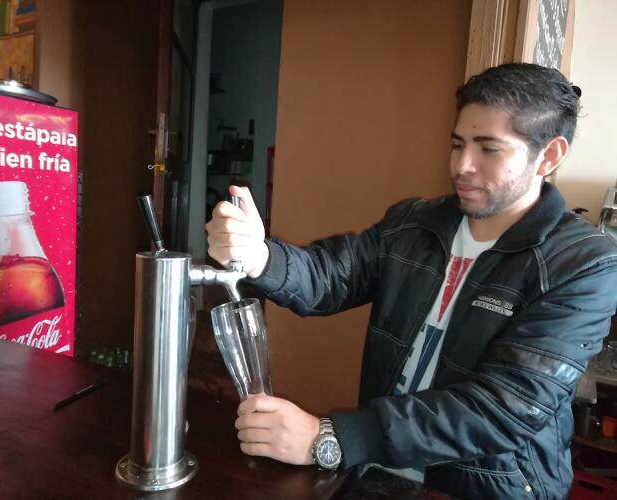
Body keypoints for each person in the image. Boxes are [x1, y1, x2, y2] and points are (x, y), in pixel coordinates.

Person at [205, 63, 617, 499]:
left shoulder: (584, 263)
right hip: (382, 472)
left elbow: (504, 407)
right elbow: (331, 276)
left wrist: (330, 437)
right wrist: (259, 255)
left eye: (488, 149)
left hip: (489, 488)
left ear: (549, 156)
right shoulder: (416, 222)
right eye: (457, 144)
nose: (462, 165)